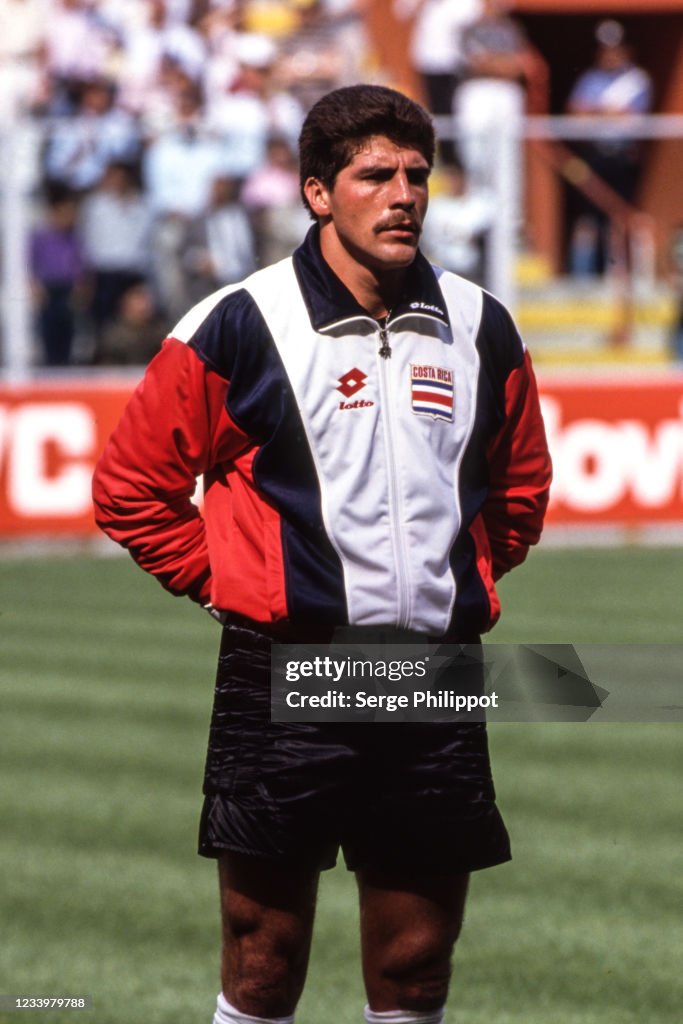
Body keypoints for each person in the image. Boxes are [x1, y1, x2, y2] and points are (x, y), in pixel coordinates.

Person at [92, 84, 552, 1024]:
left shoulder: (480, 326)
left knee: (417, 964)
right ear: (316, 193)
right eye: (374, 175)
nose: (402, 195)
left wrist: (452, 581)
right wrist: (233, 582)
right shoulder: (240, 321)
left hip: (429, 674)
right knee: (264, 960)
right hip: (286, 668)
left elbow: (518, 493)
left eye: (417, 174)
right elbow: (130, 487)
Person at [565, 19, 653, 275]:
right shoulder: (589, 78)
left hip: (622, 158)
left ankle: (614, 275)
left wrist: (596, 111)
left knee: (617, 216)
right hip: (593, 156)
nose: (609, 55)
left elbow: (631, 117)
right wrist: (606, 112)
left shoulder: (637, 81)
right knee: (588, 219)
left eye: (615, 49)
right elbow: (575, 113)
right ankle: (582, 278)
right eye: (605, 49)